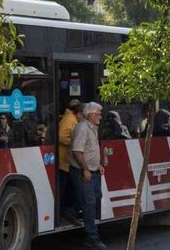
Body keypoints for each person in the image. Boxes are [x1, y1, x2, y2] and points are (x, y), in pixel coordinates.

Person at [69, 102, 107, 250]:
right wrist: (85, 169)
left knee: (96, 196)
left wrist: (98, 165)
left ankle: (72, 212)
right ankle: (92, 238)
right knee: (90, 203)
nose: (101, 117)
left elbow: (90, 150)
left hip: (93, 170)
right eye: (98, 114)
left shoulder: (92, 128)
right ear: (91, 115)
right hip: (83, 172)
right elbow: (77, 151)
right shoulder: (83, 128)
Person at [59, 99, 83, 221]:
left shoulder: (71, 118)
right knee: (64, 188)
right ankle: (65, 211)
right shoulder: (69, 119)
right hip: (65, 161)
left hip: (67, 161)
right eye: (81, 114)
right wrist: (75, 144)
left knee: (67, 188)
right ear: (77, 112)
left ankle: (66, 210)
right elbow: (62, 137)